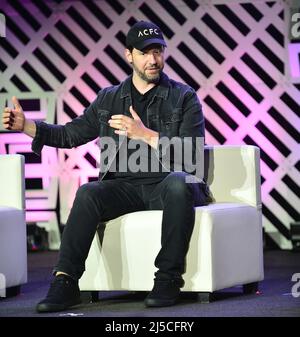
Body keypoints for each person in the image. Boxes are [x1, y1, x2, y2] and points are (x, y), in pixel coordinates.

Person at [2, 21, 209, 312]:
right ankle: (66, 282)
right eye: (145, 53)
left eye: (158, 51)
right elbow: (71, 134)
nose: (153, 60)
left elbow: (192, 154)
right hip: (125, 187)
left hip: (167, 184)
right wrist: (28, 127)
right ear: (129, 55)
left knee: (178, 182)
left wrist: (145, 134)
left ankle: (168, 278)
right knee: (88, 191)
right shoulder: (109, 98)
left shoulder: (183, 96)